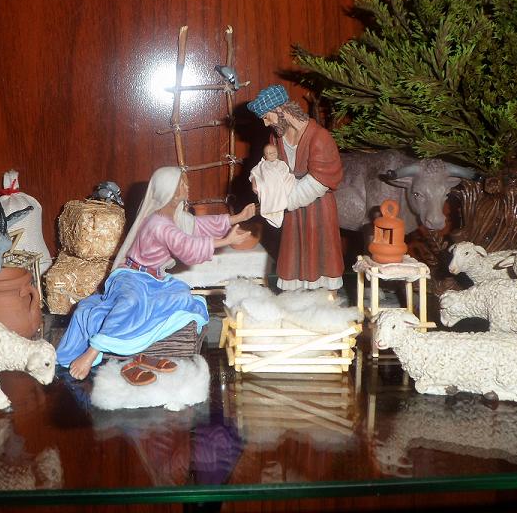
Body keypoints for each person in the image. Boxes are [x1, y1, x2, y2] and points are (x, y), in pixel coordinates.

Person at [56, 167, 255, 382]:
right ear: (171, 192)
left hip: (154, 280)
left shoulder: (173, 216)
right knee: (130, 302)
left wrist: (237, 218)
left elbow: (197, 225)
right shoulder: (159, 223)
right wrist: (226, 241)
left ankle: (149, 342)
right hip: (132, 276)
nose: (187, 186)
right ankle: (91, 353)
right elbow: (186, 245)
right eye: (182, 184)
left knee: (183, 295)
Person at [247, 84, 344, 292]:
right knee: (293, 253)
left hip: (317, 206)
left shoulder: (320, 137)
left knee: (321, 252)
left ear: (280, 110)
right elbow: (269, 166)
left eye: (267, 117)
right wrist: (258, 180)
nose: (265, 123)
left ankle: (327, 296)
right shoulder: (276, 137)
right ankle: (296, 295)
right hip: (291, 207)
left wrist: (285, 202)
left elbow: (321, 179)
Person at [250, 143, 296, 228]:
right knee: (266, 188)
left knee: (290, 179)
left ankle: (278, 206)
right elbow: (254, 173)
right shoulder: (262, 165)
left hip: (279, 185)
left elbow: (286, 173)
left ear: (277, 153)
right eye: (268, 153)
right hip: (267, 186)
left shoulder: (281, 164)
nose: (271, 154)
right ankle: (270, 209)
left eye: (273, 152)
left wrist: (285, 179)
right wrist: (254, 182)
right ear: (264, 156)